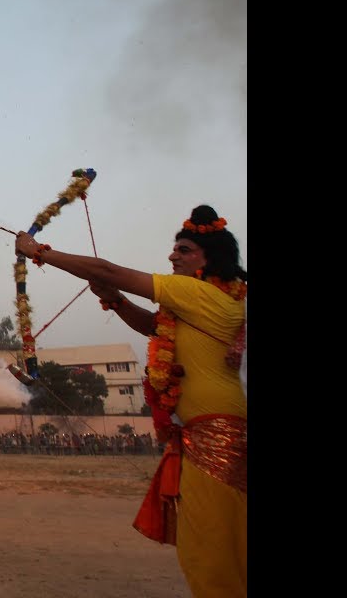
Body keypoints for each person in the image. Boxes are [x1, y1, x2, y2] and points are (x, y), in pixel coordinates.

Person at [13, 204, 246, 597]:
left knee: (212, 554)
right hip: (203, 437)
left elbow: (108, 271)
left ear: (210, 259)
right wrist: (117, 302)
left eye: (185, 249)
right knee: (216, 548)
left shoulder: (202, 294)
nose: (173, 255)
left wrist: (38, 252)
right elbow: (155, 327)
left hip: (217, 441)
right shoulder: (198, 305)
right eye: (175, 249)